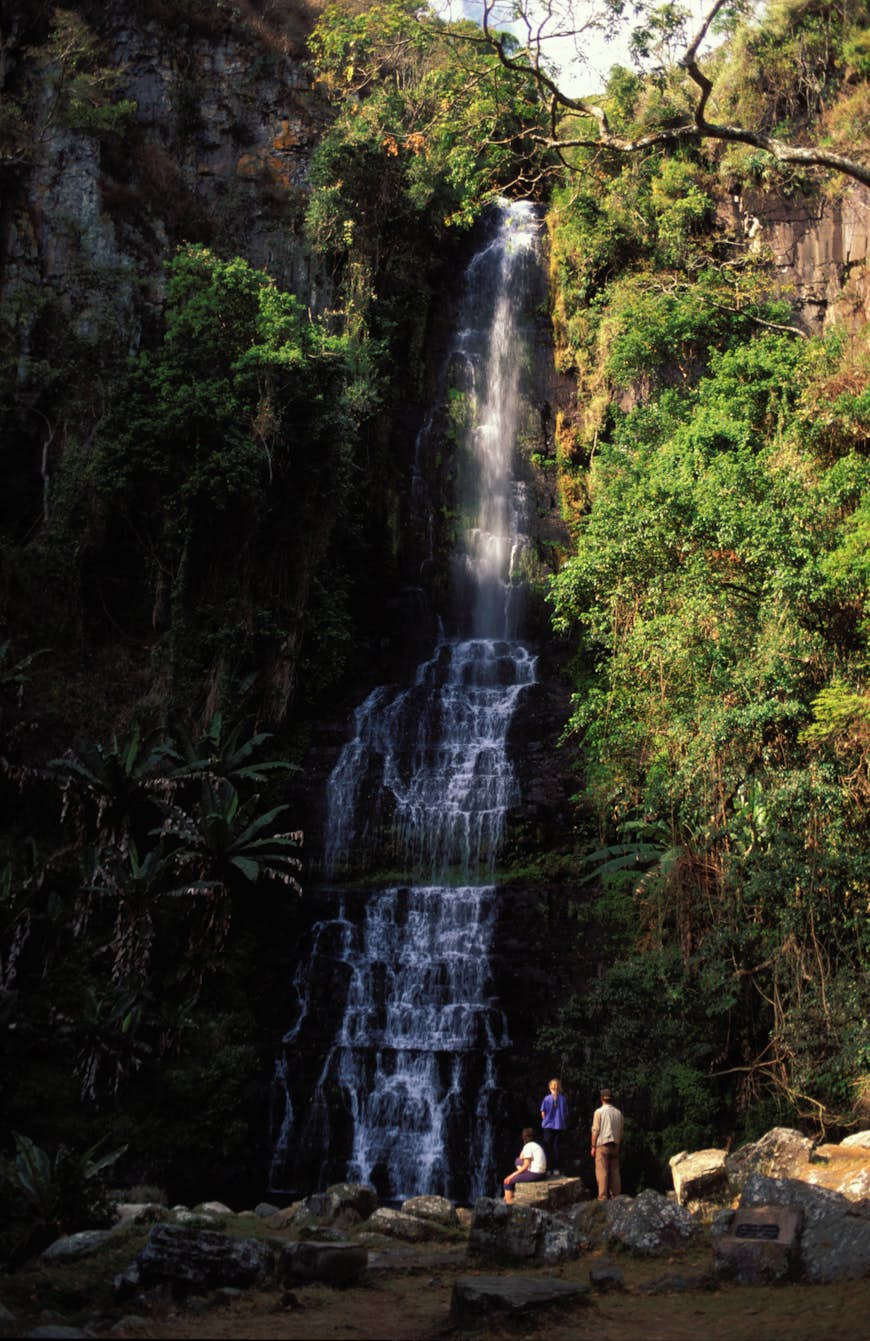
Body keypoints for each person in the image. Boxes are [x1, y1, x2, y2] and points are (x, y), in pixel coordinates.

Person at [590, 1087, 624, 1200]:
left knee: (602, 1170)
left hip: (602, 1145)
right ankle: (617, 1196)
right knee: (615, 1171)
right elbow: (621, 1131)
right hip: (615, 1144)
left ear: (601, 1099)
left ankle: (602, 1197)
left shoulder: (598, 1112)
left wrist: (593, 1146)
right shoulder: (618, 1113)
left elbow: (595, 1130)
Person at [502, 1126, 547, 1203]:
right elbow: (521, 1158)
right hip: (542, 1173)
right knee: (517, 1161)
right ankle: (510, 1194)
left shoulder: (528, 1146)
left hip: (535, 1174)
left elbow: (526, 1165)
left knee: (507, 1182)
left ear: (524, 1137)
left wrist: (512, 1175)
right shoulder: (536, 1145)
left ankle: (509, 1204)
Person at [539, 1077, 568, 1175]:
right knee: (556, 1147)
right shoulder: (563, 1099)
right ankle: (556, 1169)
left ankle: (547, 1169)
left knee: (547, 1147)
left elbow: (543, 1112)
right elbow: (565, 1113)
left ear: (550, 1087)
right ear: (559, 1087)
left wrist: (546, 1120)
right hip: (559, 1126)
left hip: (548, 1126)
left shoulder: (546, 1098)